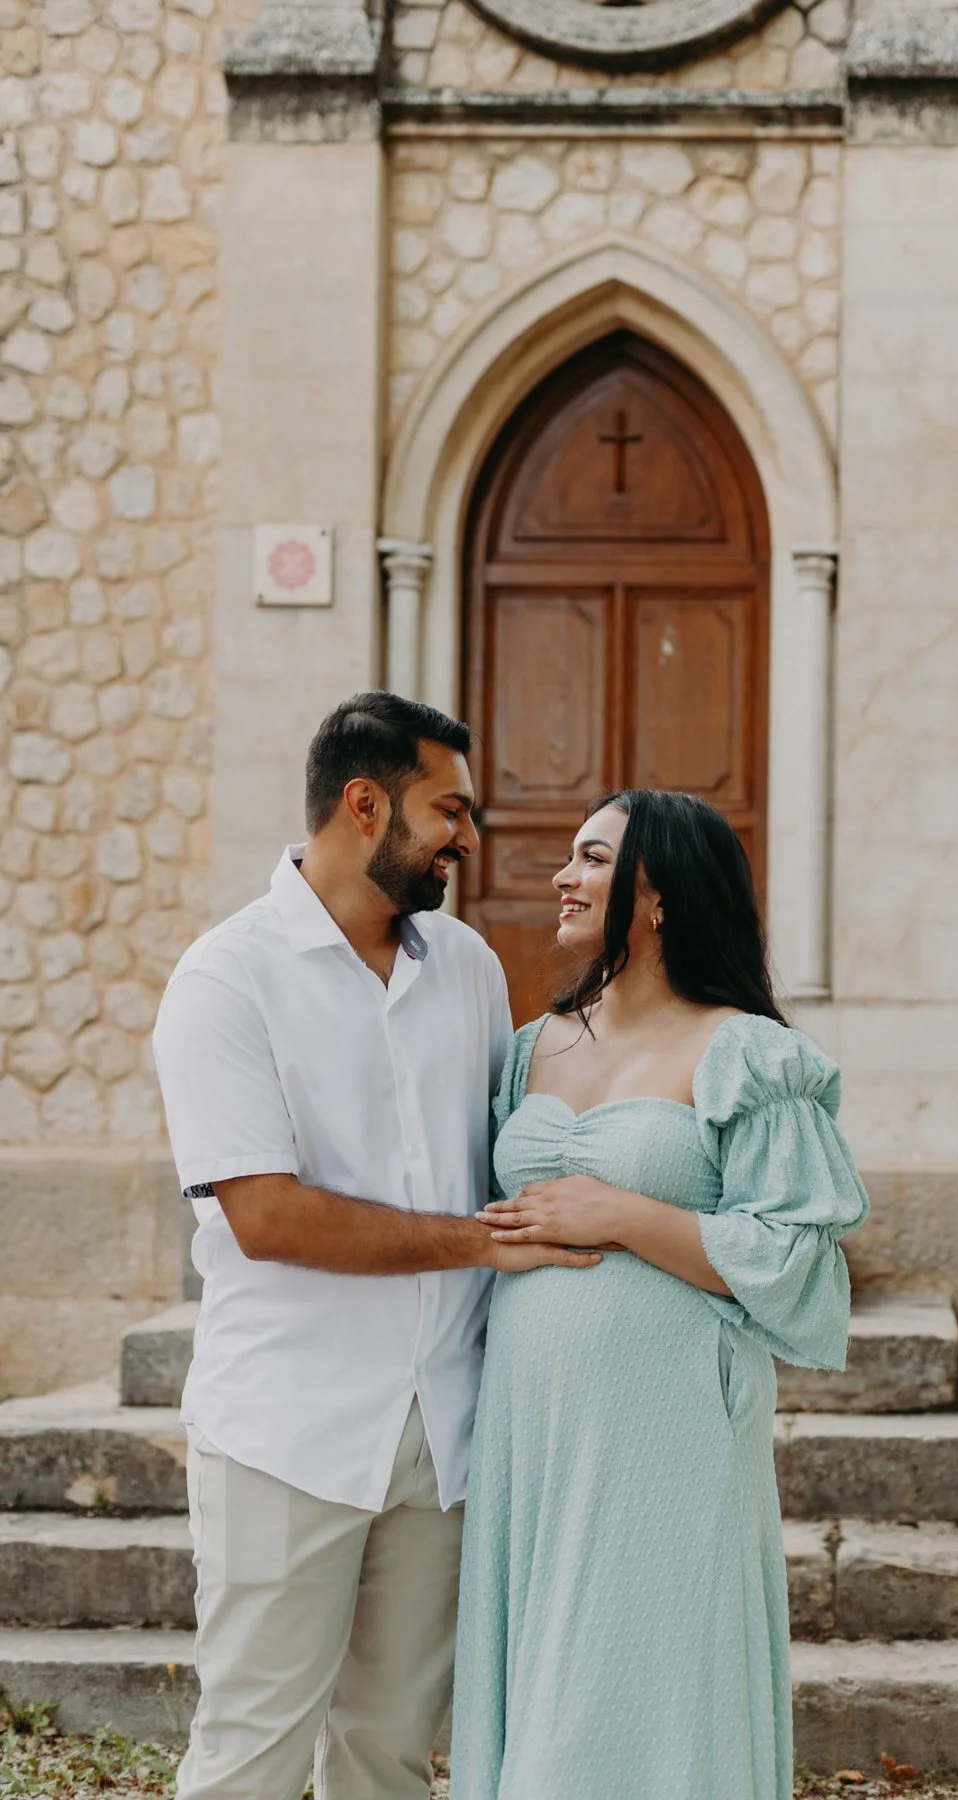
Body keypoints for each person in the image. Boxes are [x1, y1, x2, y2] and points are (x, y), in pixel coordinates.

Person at [152, 692, 600, 1800]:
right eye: (448, 809)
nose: (468, 836)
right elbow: (267, 1216)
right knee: (251, 1753)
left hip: (445, 1433)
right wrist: (481, 1245)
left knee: (389, 1758)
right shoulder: (225, 979)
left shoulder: (469, 968)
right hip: (287, 1431)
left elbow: (504, 1153)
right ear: (365, 805)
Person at [449, 788, 870, 1800]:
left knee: (647, 1676)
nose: (563, 876)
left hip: (671, 1420)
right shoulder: (531, 1047)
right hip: (533, 1418)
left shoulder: (746, 1054)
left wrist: (624, 1214)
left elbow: (796, 1260)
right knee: (549, 1675)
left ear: (660, 894)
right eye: (571, 855)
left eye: (594, 858)